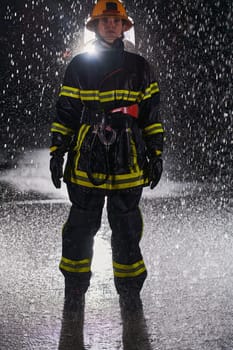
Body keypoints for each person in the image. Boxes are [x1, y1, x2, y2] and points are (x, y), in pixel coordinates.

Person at [50, 0, 164, 313]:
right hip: (87, 158)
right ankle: (74, 290)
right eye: (106, 21)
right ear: (96, 26)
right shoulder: (79, 65)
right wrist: (57, 150)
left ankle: (129, 293)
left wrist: (155, 153)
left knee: (127, 229)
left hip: (128, 157)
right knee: (80, 227)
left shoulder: (140, 67)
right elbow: (67, 111)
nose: (111, 25)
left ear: (124, 26)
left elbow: (151, 114)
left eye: (116, 20)